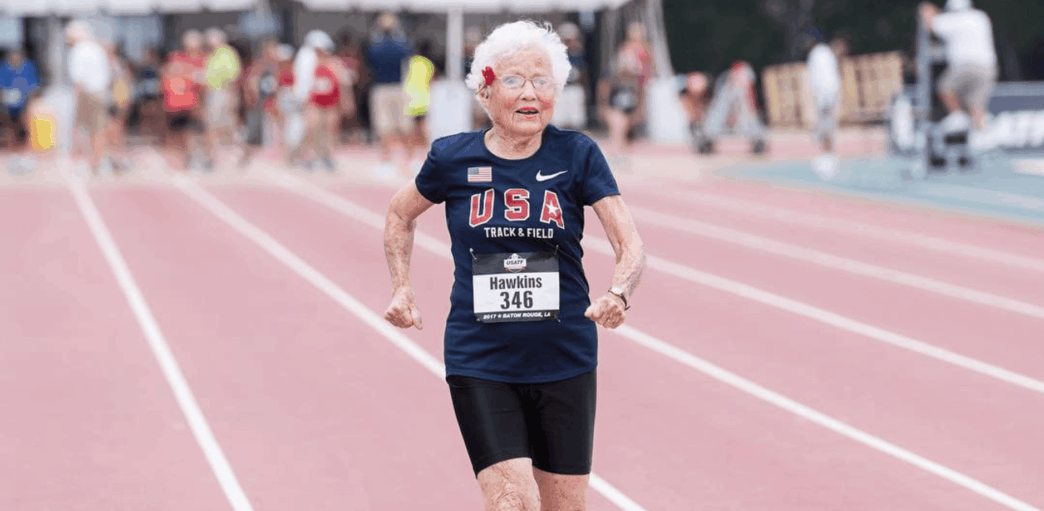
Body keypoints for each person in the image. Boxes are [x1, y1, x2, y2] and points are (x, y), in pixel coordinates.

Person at [382, 20, 646, 511]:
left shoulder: (578, 154)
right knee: (513, 501)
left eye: (542, 82)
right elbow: (400, 213)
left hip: (565, 357)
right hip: (481, 358)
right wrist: (402, 287)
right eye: (515, 80)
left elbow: (630, 243)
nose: (531, 94)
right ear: (485, 90)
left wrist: (619, 293)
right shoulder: (451, 158)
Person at [919, 0, 997, 137]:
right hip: (988, 68)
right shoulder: (981, 17)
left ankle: (957, 116)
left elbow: (931, 24)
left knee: (945, 88)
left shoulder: (952, 20)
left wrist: (926, 10)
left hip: (964, 66)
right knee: (976, 106)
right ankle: (982, 137)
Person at [66, 21, 113, 176]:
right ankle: (99, 163)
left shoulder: (78, 51)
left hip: (87, 93)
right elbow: (108, 73)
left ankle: (81, 163)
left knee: (80, 129)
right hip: (100, 93)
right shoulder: (97, 48)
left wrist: (76, 100)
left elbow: (78, 80)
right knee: (98, 130)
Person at [805, 31, 848, 179]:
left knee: (825, 127)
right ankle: (828, 157)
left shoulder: (818, 53)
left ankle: (828, 159)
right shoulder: (826, 53)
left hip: (824, 95)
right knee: (827, 126)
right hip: (830, 93)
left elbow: (817, 78)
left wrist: (818, 98)